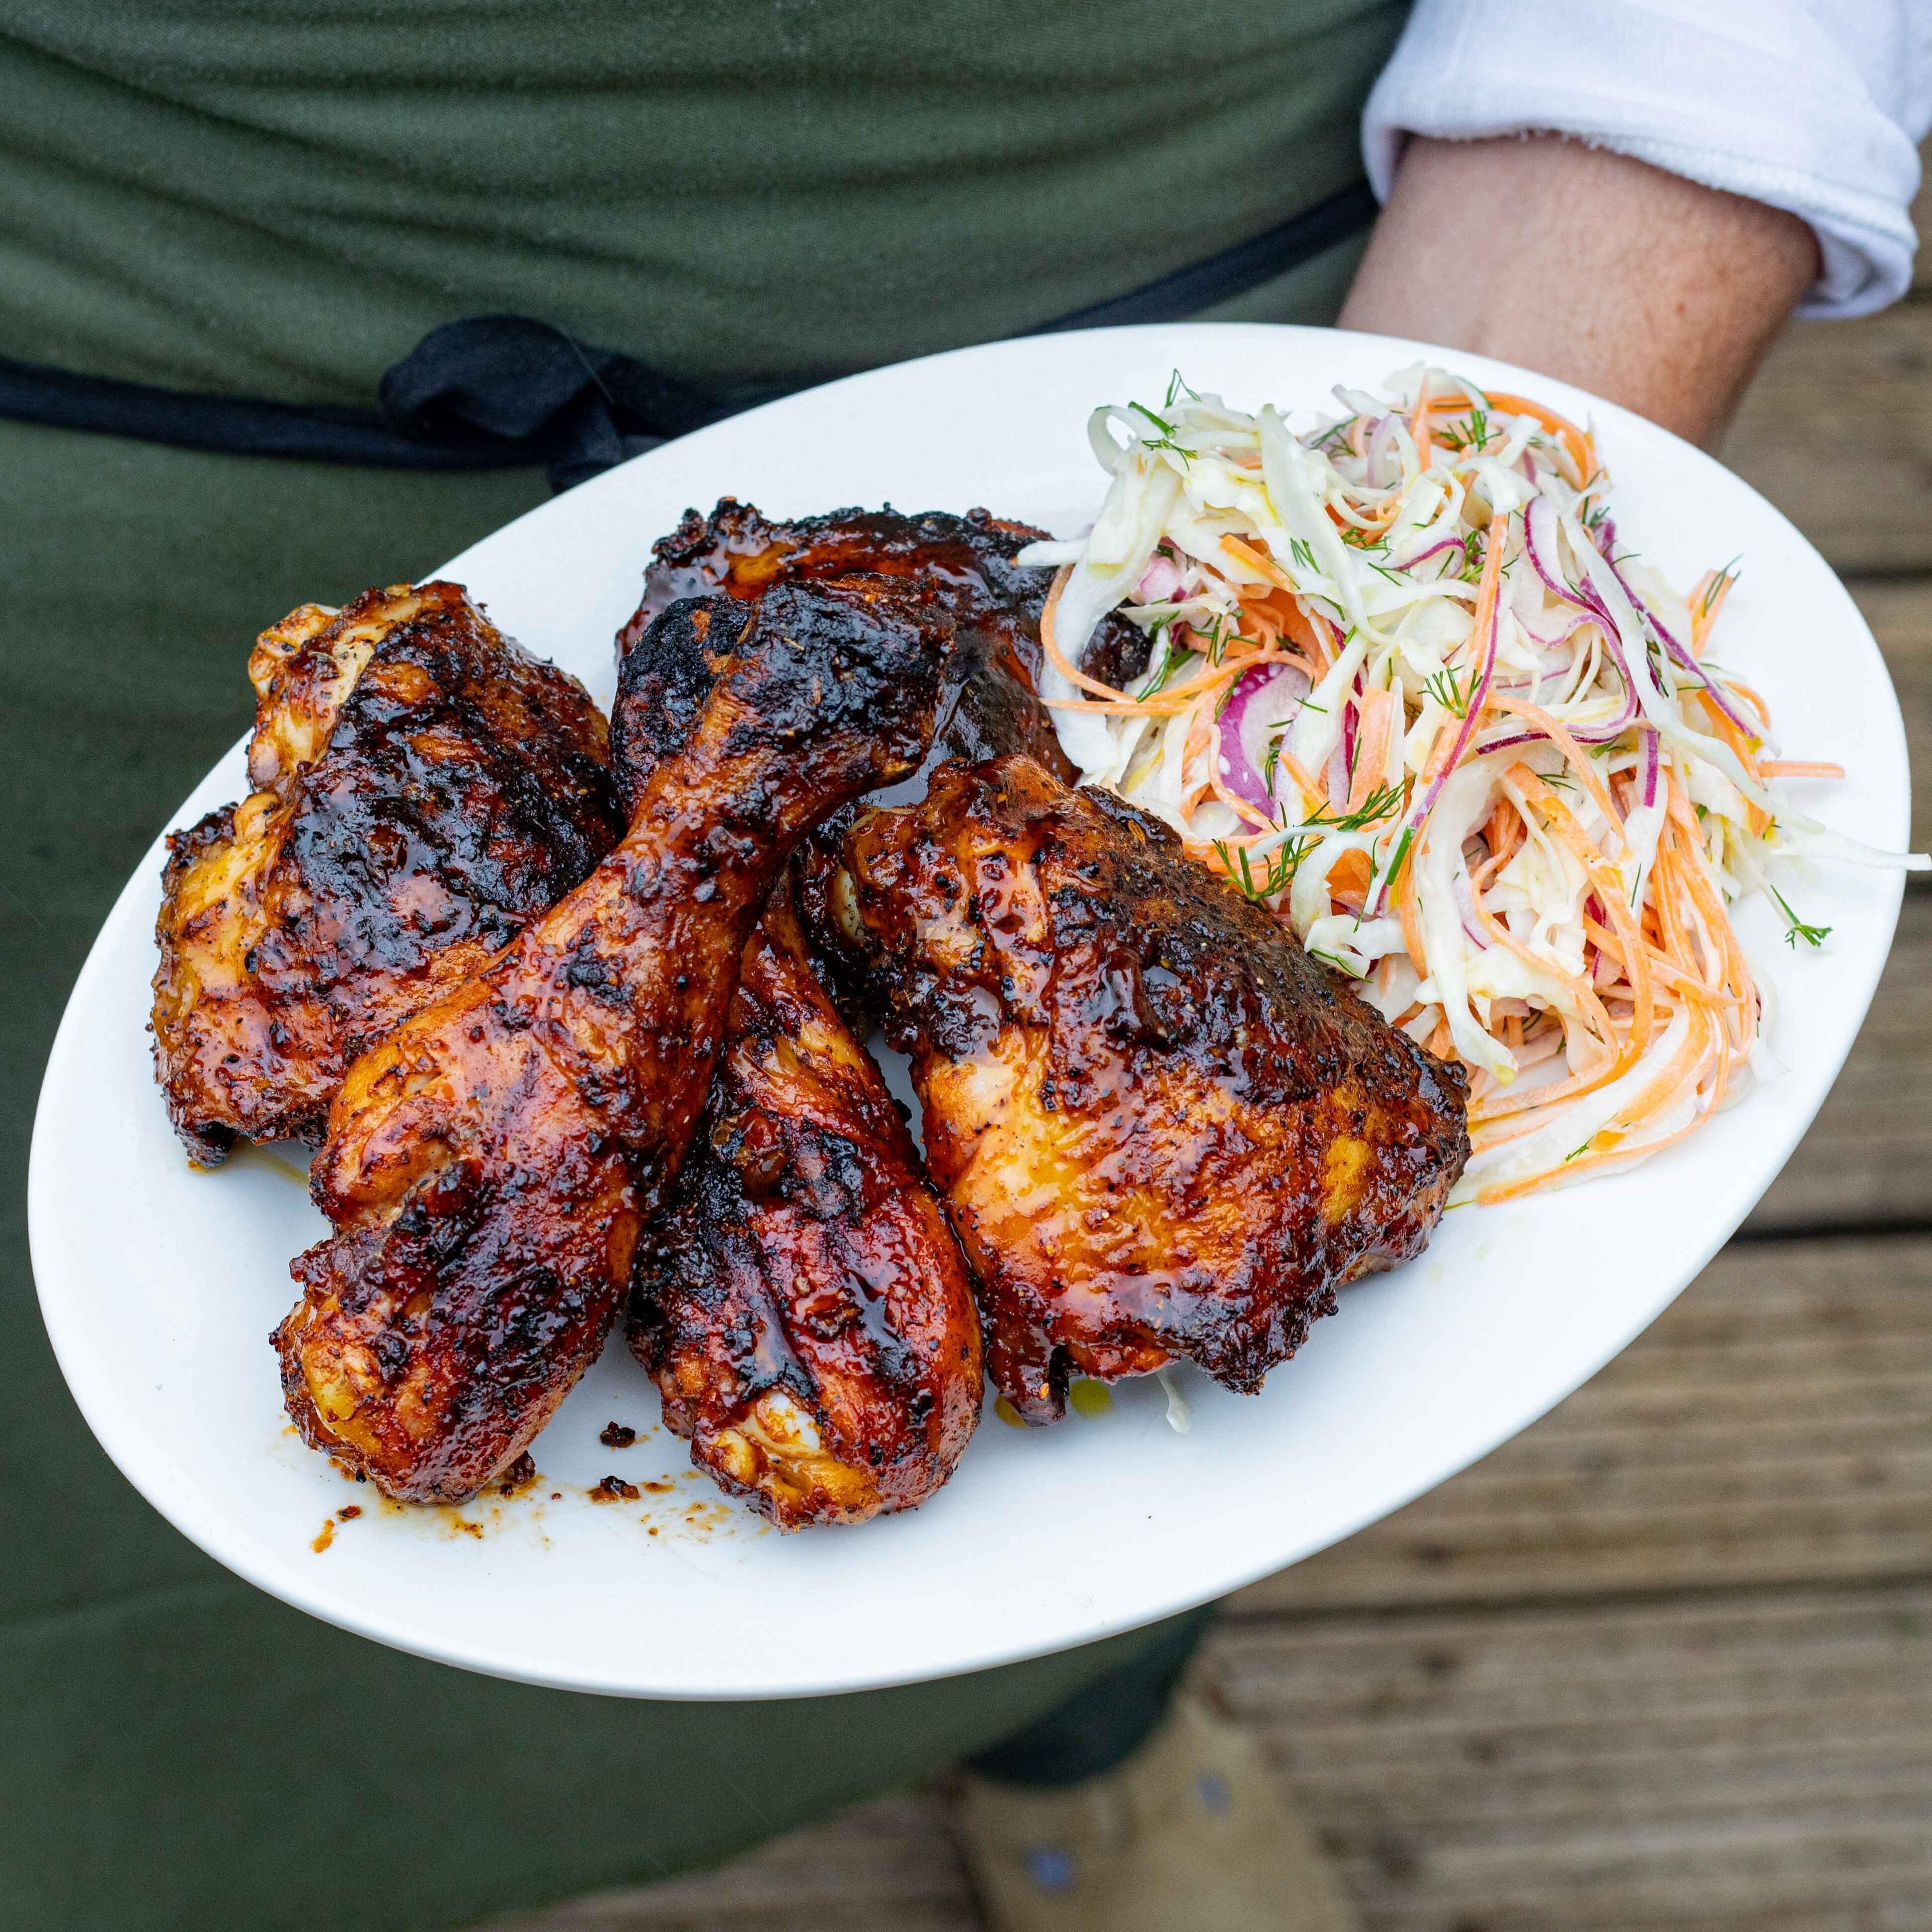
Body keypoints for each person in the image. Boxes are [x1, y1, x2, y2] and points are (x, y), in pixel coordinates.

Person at [2, 4, 1925, 1929]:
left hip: (1153, 323)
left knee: (1099, 1537)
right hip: (126, 440)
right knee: (115, 1501)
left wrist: (1480, 487)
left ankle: (1088, 1757)